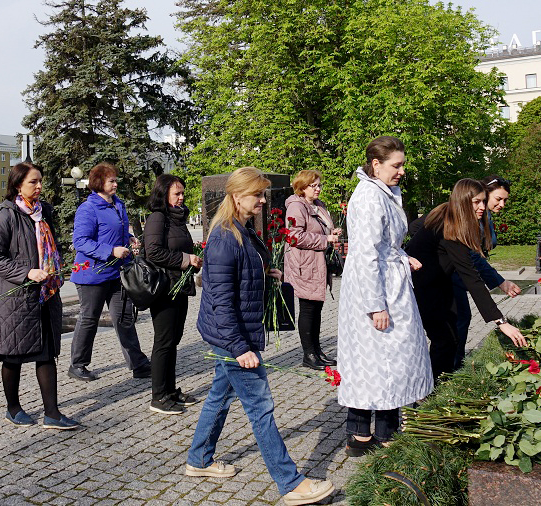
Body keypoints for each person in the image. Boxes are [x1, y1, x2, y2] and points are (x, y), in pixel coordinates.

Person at [186, 167, 334, 506]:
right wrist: (240, 348)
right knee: (260, 406)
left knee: (220, 396)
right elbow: (221, 301)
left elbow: (241, 271)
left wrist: (266, 272)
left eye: (263, 194)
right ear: (237, 196)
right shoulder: (224, 238)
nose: (263, 200)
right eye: (257, 194)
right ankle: (291, 483)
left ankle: (199, 459)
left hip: (236, 332)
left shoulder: (242, 229)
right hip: (232, 336)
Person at [337, 137, 434, 457]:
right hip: (375, 289)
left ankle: (379, 431)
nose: (402, 170)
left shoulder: (384, 192)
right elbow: (365, 254)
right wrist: (375, 305)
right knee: (374, 362)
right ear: (376, 165)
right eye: (397, 165)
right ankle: (364, 434)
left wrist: (402, 256)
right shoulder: (369, 197)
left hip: (389, 283)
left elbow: (384, 245)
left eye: (403, 164)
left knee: (389, 361)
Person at [0, 161, 80, 429]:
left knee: (46, 354)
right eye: (32, 182)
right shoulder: (7, 216)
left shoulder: (43, 212)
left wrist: (56, 265)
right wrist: (26, 272)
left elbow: (50, 247)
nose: (39, 186)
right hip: (15, 299)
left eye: (40, 181)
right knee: (13, 355)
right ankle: (13, 408)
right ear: (18, 186)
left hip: (44, 294)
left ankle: (52, 413)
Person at [407, 179, 527, 379]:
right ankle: (433, 386)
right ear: (462, 201)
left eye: (483, 201)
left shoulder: (453, 217)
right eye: (476, 202)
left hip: (440, 283)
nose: (482, 207)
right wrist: (501, 322)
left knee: (452, 334)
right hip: (422, 285)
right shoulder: (450, 226)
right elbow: (472, 278)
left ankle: (441, 381)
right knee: (443, 339)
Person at [68, 162, 150, 382]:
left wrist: (128, 239)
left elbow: (114, 231)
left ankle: (139, 364)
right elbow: (81, 241)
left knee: (124, 318)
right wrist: (111, 251)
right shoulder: (88, 208)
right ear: (99, 183)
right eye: (111, 181)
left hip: (116, 273)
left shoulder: (117, 204)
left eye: (116, 180)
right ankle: (77, 364)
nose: (115, 184)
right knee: (89, 318)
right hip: (92, 274)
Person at [142, 174, 202, 415]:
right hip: (165, 289)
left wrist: (193, 260)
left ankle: (170, 390)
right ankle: (158, 396)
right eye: (177, 193)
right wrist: (186, 259)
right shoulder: (158, 217)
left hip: (180, 286)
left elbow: (179, 248)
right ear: (163, 193)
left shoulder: (177, 218)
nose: (181, 197)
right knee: (164, 341)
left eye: (182, 193)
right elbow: (153, 252)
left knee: (173, 340)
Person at [449, 175, 514, 369]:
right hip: (452, 275)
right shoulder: (470, 218)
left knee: (461, 319)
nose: (502, 204)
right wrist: (499, 281)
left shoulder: (484, 217)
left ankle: (454, 365)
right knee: (459, 320)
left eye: (505, 200)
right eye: (498, 199)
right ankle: (451, 367)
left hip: (461, 273)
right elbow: (473, 257)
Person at [283, 170, 341, 370]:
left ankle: (317, 351)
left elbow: (318, 229)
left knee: (317, 308)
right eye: (313, 185)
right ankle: (308, 354)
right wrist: (325, 239)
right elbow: (294, 236)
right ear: (302, 187)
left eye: (319, 185)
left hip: (318, 263)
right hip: (305, 265)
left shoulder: (318, 205)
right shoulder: (296, 207)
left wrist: (331, 232)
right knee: (308, 308)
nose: (318, 189)